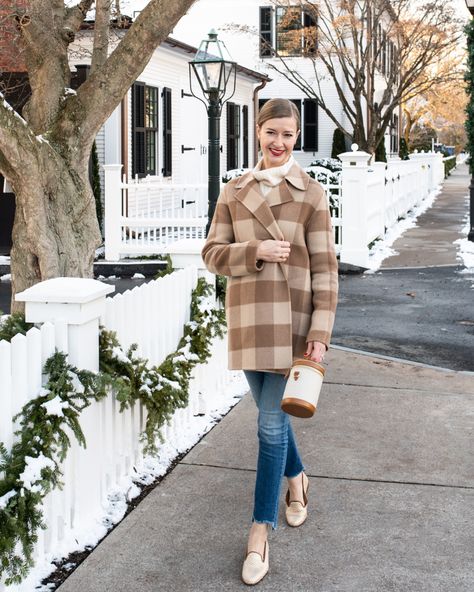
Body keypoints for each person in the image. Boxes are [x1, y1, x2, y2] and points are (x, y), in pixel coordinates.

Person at [201, 98, 338, 585]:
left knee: (268, 424)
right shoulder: (234, 192)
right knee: (271, 415)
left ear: (296, 137)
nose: (279, 143)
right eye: (271, 132)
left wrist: (320, 334)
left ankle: (260, 529)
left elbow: (326, 271)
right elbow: (212, 253)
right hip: (250, 321)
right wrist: (255, 250)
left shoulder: (311, 194)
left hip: (296, 324)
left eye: (288, 134)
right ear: (257, 132)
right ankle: (297, 478)